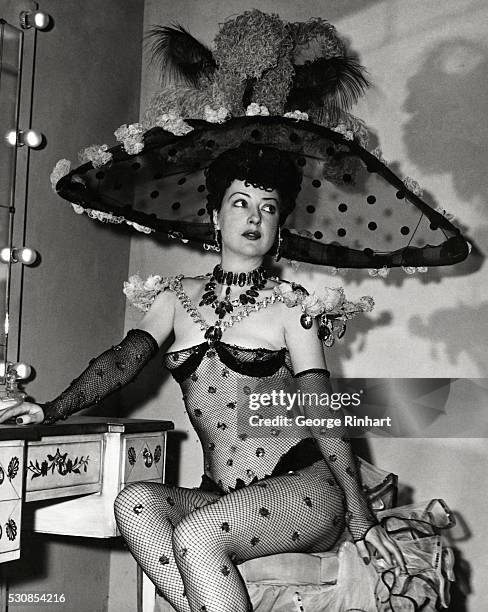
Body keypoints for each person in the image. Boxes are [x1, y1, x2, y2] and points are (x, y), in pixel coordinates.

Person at [0, 143, 406, 612]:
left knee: (197, 533)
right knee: (134, 505)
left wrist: (362, 519)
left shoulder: (293, 307)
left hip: (306, 488)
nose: (254, 217)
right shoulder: (176, 298)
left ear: (277, 228)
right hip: (222, 495)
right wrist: (51, 410)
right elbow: (122, 361)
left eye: (268, 208)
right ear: (215, 216)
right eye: (240, 203)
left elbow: (322, 414)